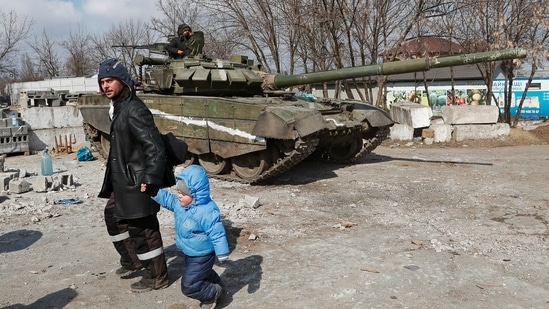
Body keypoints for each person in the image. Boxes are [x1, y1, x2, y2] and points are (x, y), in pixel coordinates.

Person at [97, 58, 169, 292]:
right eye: (102, 82)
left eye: (110, 80)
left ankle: (156, 276)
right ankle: (133, 260)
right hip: (123, 179)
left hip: (138, 180)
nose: (106, 86)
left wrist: (151, 178)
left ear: (123, 81)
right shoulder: (119, 106)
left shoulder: (134, 109)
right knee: (113, 216)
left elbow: (154, 146)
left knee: (143, 230)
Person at [141, 165, 229, 309]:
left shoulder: (206, 211)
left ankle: (213, 293)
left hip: (203, 254)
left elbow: (217, 232)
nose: (179, 195)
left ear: (196, 193)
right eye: (179, 191)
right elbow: (167, 199)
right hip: (189, 252)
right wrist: (153, 191)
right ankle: (219, 288)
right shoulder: (180, 204)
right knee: (203, 274)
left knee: (189, 285)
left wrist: (222, 252)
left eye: (184, 193)